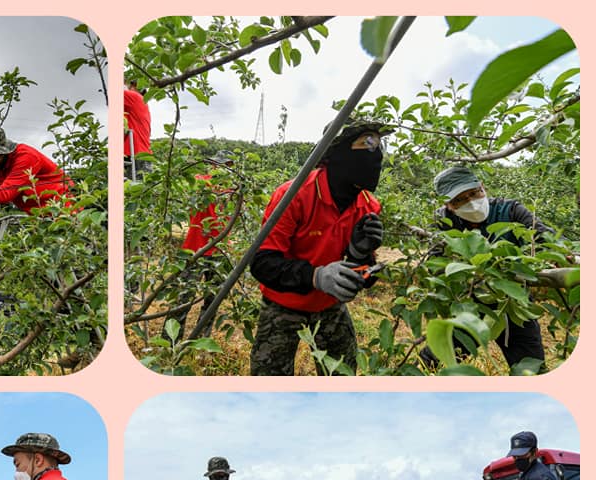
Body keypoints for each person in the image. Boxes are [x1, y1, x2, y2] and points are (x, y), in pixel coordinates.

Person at [249, 120, 390, 375]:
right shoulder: (293, 195)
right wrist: (315, 276)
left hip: (329, 305)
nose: (376, 153)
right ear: (337, 151)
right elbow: (262, 263)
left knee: (343, 377)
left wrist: (361, 257)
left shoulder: (368, 205)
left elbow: (363, 277)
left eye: (379, 145)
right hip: (283, 304)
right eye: (367, 144)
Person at [424, 166, 554, 371]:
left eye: (474, 193)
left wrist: (565, 256)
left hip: (514, 305)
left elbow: (545, 237)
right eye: (460, 200)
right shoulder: (445, 223)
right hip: (470, 307)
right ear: (448, 205)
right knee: (434, 361)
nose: (471, 203)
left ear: (482, 187)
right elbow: (434, 264)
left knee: (531, 369)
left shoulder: (510, 211)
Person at [165, 152, 236, 338]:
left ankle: (201, 338)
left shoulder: (234, 190)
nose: (225, 169)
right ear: (213, 166)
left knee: (213, 299)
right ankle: (171, 339)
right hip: (195, 249)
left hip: (219, 251)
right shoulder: (201, 183)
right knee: (183, 297)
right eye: (221, 165)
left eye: (228, 165)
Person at [123, 82, 151, 179]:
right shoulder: (141, 102)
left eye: (129, 86)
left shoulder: (135, 97)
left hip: (136, 155)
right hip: (140, 154)